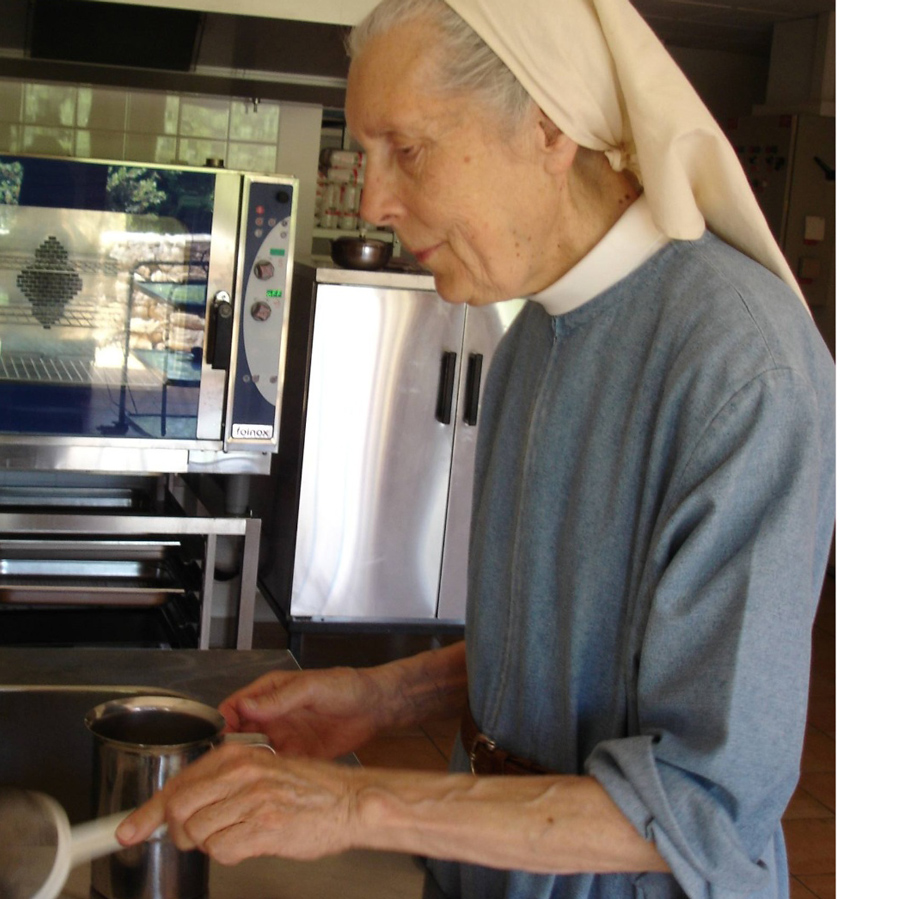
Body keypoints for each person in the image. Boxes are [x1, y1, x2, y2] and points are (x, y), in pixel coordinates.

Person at [116, 0, 836, 896]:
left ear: (548, 126)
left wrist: (357, 803)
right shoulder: (534, 332)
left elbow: (706, 803)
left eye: (407, 148)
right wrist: (386, 697)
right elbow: (571, 643)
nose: (373, 201)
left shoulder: (744, 370)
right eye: (368, 153)